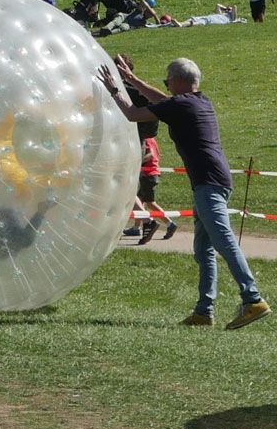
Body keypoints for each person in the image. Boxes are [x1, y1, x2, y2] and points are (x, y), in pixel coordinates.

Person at [100, 57, 268, 328]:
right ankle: (204, 311)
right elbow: (162, 101)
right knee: (204, 250)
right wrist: (132, 79)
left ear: (178, 81)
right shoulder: (199, 101)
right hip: (214, 180)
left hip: (208, 182)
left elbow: (132, 114)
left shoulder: (179, 105)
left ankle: (253, 298)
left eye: (168, 80)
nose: (166, 85)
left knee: (224, 241)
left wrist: (114, 89)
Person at [115, 55, 176, 244]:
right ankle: (145, 221)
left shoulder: (125, 92)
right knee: (124, 186)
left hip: (127, 144)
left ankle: (147, 220)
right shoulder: (138, 92)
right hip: (136, 142)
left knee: (122, 186)